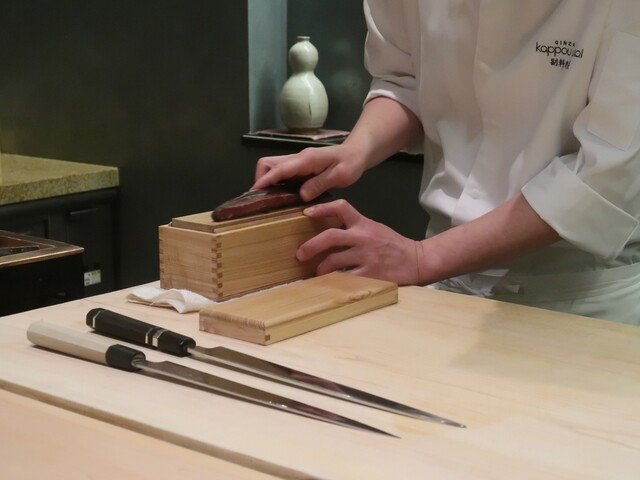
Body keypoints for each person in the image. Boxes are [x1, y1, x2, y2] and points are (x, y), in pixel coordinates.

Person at [253, 1, 640, 325]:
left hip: (577, 296)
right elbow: (404, 79)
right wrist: (354, 150)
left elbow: (600, 177)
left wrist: (423, 258)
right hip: (443, 286)